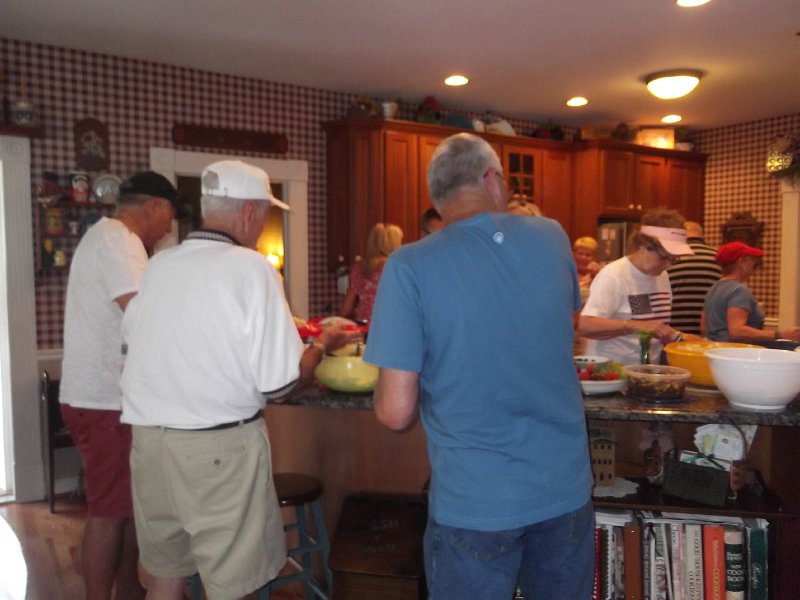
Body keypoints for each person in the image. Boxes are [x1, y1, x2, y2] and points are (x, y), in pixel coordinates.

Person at [364, 133, 594, 599]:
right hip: (563, 489)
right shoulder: (552, 236)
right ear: (492, 180)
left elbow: (394, 413)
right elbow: (556, 329)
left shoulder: (409, 265)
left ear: (437, 197)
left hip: (475, 500)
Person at [119, 160, 358, 600]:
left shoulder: (160, 265)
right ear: (249, 211)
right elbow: (280, 386)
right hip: (217, 452)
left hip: (150, 444)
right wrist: (322, 345)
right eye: (265, 214)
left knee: (167, 575)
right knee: (233, 586)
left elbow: (136, 342)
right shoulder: (251, 268)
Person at [59, 171, 179, 600]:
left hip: (105, 397)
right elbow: (143, 316)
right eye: (169, 219)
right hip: (104, 399)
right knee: (109, 512)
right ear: (155, 206)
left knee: (126, 509)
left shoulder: (107, 238)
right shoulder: (120, 241)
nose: (167, 231)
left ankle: (129, 589)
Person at [579, 208, 700, 365]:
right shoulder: (614, 275)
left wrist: (678, 336)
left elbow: (651, 323)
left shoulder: (662, 276)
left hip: (646, 371)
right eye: (664, 257)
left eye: (674, 259)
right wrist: (636, 326)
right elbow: (585, 325)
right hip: (611, 371)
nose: (669, 264)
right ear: (643, 244)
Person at [702, 241, 800, 343]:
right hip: (737, 352)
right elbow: (736, 331)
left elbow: (704, 328)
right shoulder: (739, 290)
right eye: (752, 260)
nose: (754, 264)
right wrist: (780, 334)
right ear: (741, 262)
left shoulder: (714, 288)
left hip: (715, 350)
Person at [339, 222, 403, 321]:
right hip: (390, 326)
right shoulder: (398, 267)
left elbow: (345, 310)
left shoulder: (360, 267)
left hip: (366, 328)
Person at [667, 221, 722, 335]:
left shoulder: (670, 256)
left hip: (675, 331)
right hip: (710, 330)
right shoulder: (719, 257)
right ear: (702, 234)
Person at [573, 236, 601, 303]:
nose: (583, 257)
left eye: (588, 255)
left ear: (594, 258)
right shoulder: (566, 272)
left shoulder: (600, 274)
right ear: (573, 254)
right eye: (580, 253)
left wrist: (594, 276)